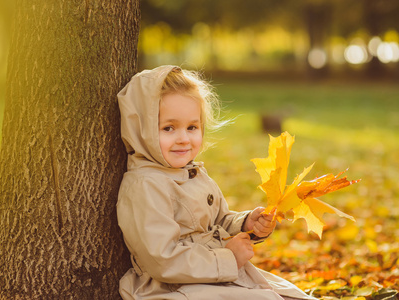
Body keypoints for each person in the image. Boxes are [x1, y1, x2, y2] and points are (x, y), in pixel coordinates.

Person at [116, 65, 316, 300]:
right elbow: (162, 259)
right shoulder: (145, 186)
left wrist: (245, 224)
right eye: (168, 128)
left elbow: (219, 221)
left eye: (192, 127)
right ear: (142, 130)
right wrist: (228, 258)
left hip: (214, 276)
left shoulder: (194, 173)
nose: (183, 139)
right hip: (173, 287)